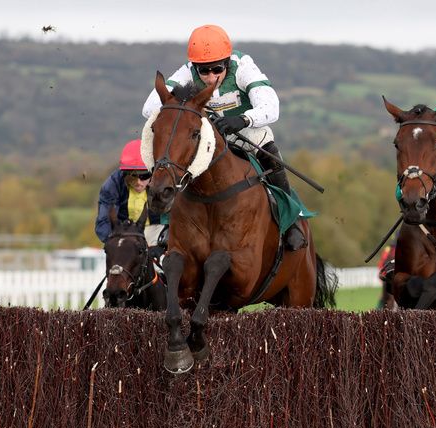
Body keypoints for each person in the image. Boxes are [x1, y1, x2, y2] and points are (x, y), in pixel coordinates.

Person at [141, 24, 305, 251]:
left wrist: (243, 119)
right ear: (194, 67)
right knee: (179, 159)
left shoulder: (243, 66)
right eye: (204, 71)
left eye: (217, 69)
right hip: (208, 136)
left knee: (270, 151)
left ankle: (292, 220)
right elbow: (149, 108)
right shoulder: (185, 72)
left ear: (227, 62)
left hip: (245, 130)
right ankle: (171, 224)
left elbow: (271, 107)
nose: (211, 78)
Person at [95, 139, 168, 260]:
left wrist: (164, 243)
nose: (138, 182)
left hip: (157, 231)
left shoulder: (165, 182)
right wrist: (116, 243)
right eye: (132, 176)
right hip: (125, 232)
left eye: (144, 176)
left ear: (153, 171)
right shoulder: (112, 185)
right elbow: (103, 222)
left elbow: (177, 219)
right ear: (124, 173)